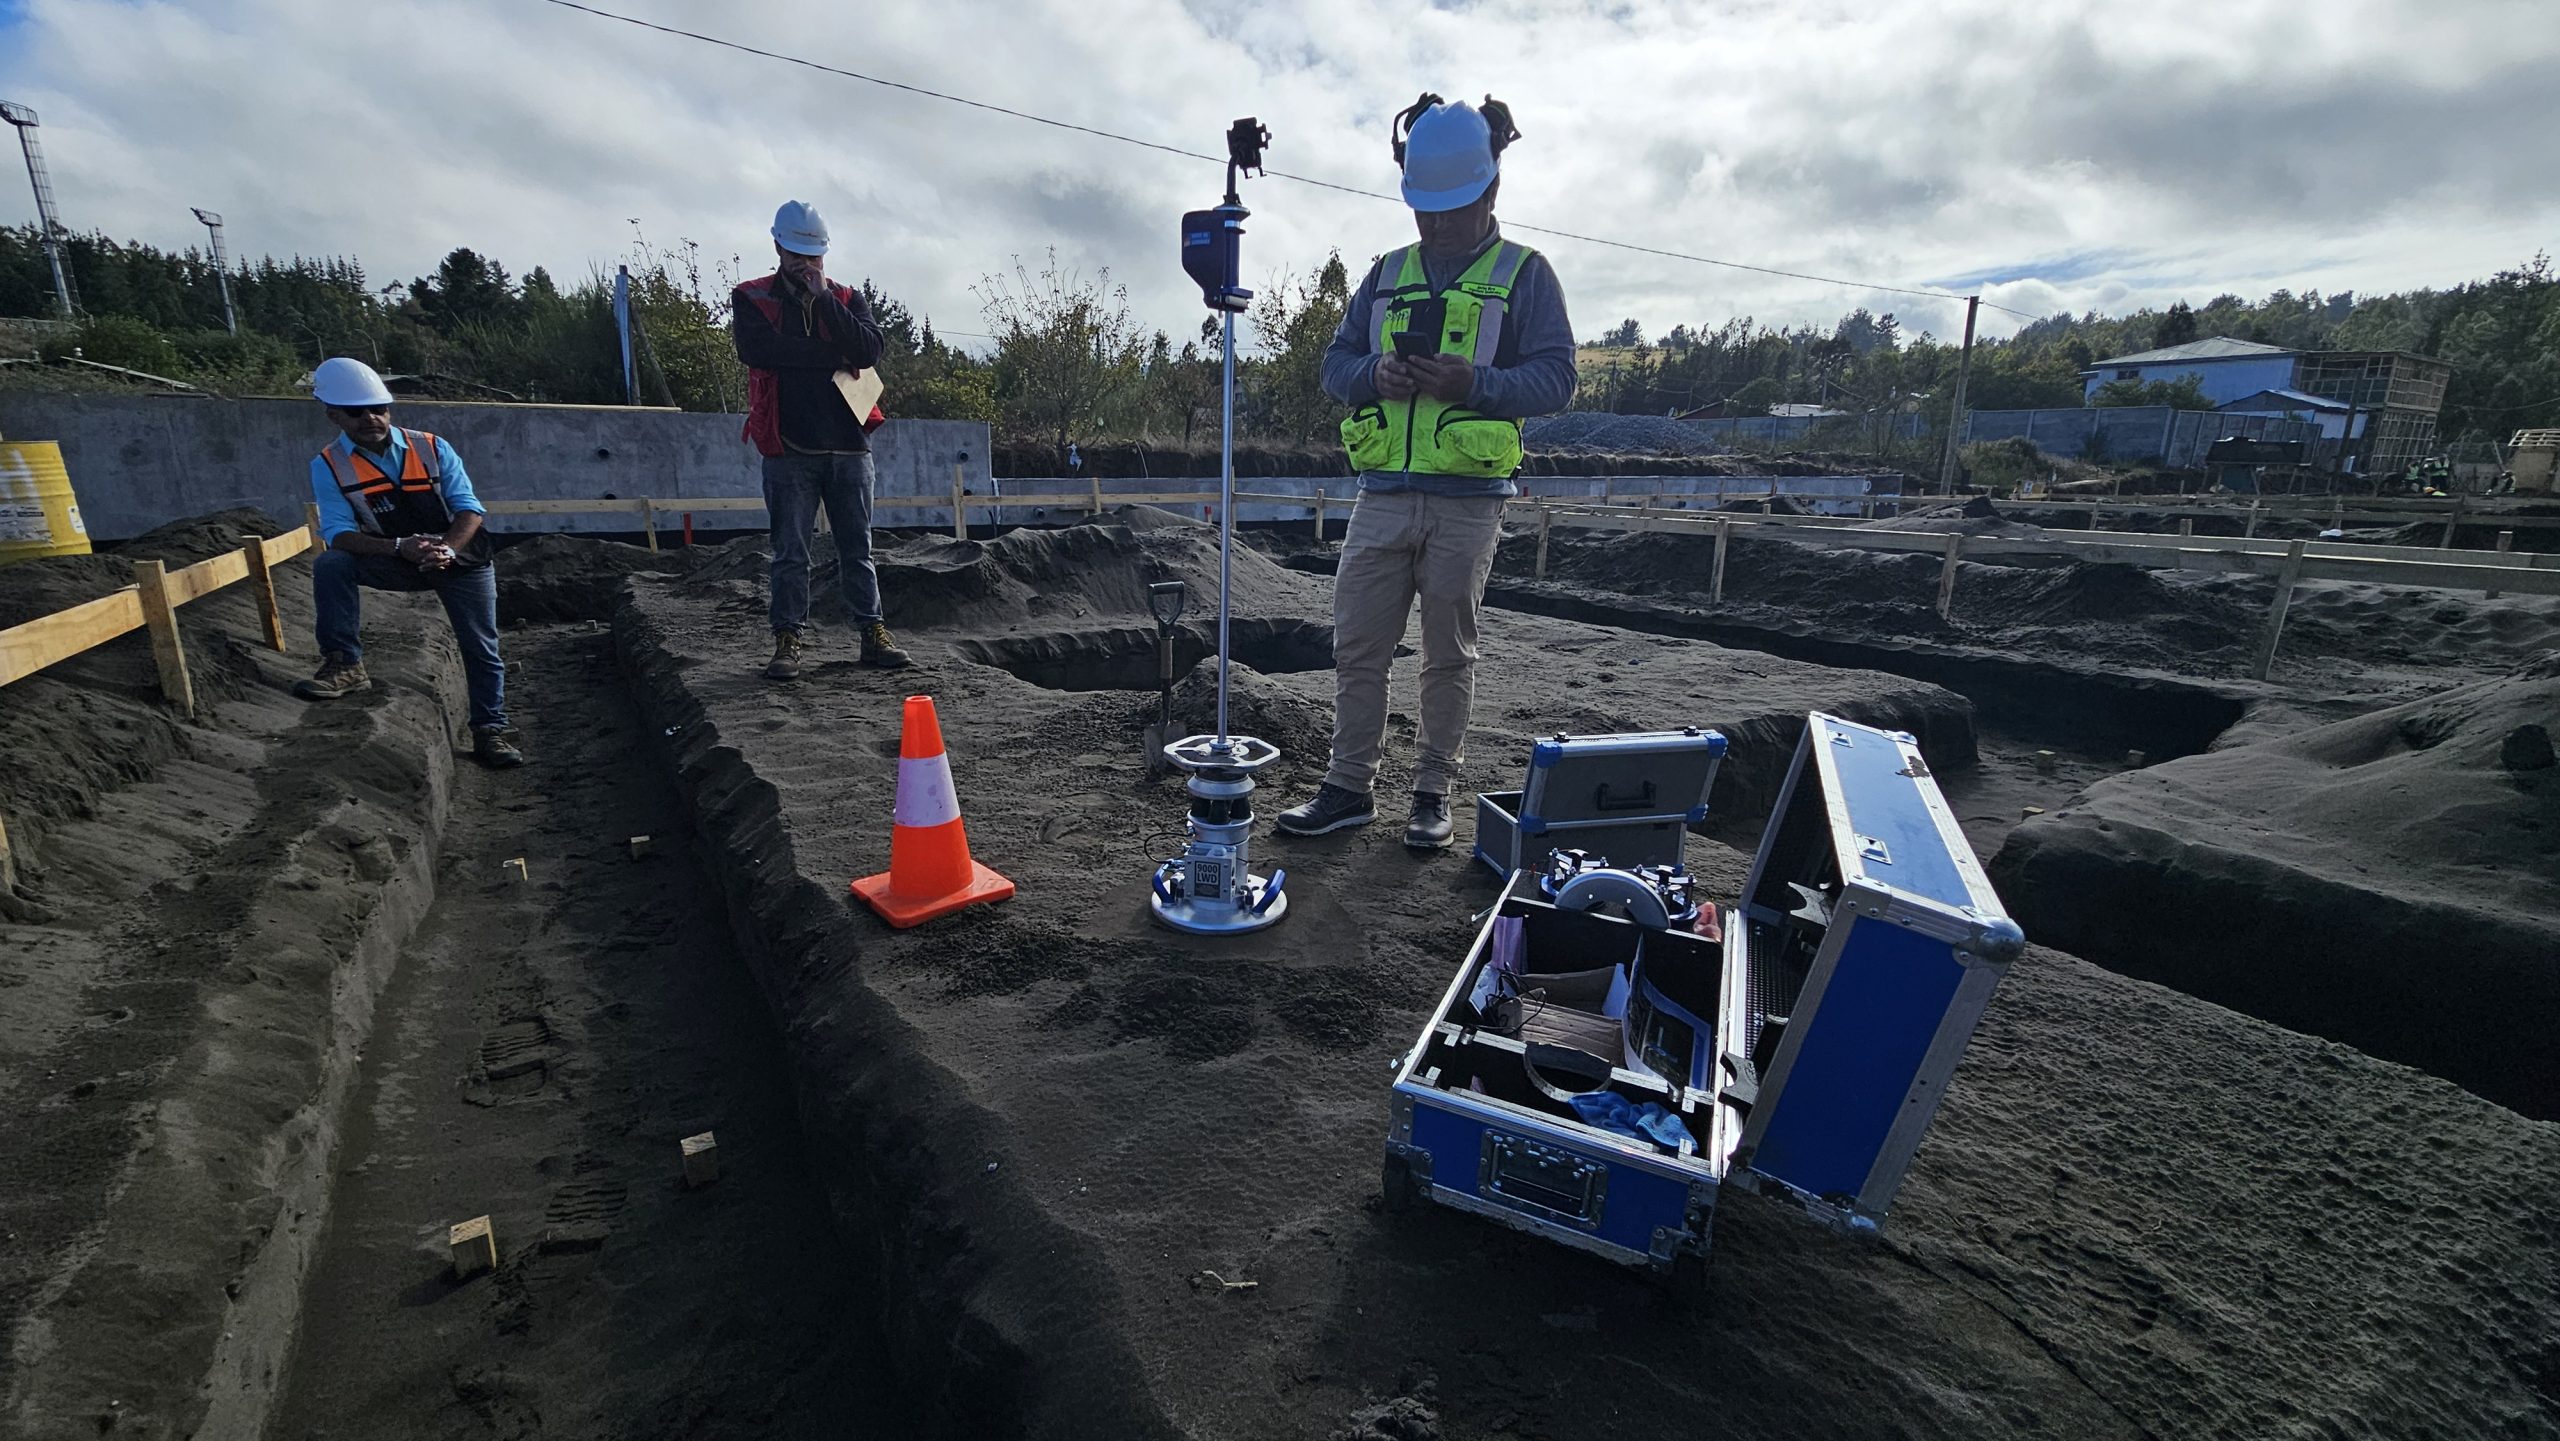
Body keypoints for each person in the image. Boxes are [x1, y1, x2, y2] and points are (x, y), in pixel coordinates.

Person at [1275, 95, 1576, 849]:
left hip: (1469, 501)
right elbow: (1332, 364)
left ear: (1491, 191)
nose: (1436, 225)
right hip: (1382, 493)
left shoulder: (1526, 275)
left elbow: (1558, 380)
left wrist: (1471, 383)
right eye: (1425, 210)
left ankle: (1432, 792)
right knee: (1358, 648)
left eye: (1452, 209)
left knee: (1449, 653)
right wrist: (1374, 373)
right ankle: (1348, 787)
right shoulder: (1386, 273)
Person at [292, 357, 522, 767]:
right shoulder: (328, 465)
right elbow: (339, 534)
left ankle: (490, 730)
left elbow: (469, 510)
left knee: (481, 646)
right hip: (395, 556)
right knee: (332, 564)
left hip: (461, 558)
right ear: (334, 416)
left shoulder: (431, 447)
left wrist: (446, 549)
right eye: (356, 412)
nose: (371, 418)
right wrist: (401, 547)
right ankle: (345, 662)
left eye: (378, 408)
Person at [733, 199, 910, 680]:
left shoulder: (846, 299)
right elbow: (760, 351)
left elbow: (869, 349)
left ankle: (872, 632)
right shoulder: (752, 299)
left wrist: (826, 303)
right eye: (795, 254)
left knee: (860, 549)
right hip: (790, 448)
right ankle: (787, 641)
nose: (805, 264)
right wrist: (833, 353)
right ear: (778, 247)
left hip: (851, 448)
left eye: (812, 256)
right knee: (792, 552)